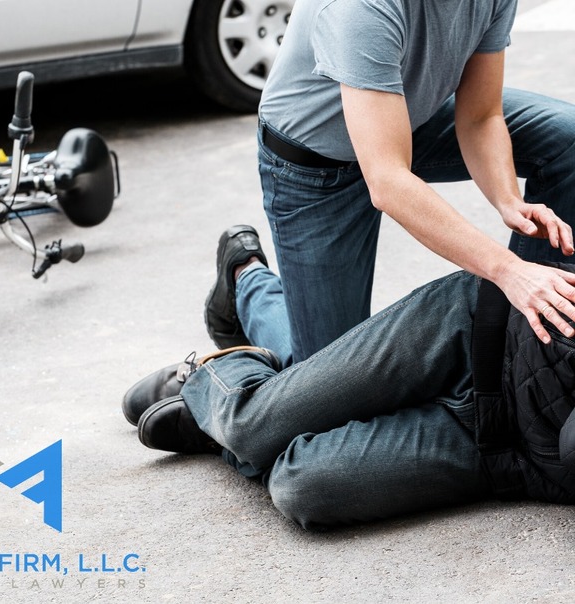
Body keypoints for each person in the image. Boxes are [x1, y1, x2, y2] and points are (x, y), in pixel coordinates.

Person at [204, 0, 575, 366]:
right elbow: (388, 181)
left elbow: (480, 116)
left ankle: (529, 342)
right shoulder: (360, 8)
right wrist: (507, 269)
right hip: (315, 166)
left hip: (406, 116)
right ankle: (246, 282)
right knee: (330, 380)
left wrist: (508, 200)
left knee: (566, 139)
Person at [123, 231, 575, 530]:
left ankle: (226, 416)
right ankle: (221, 368)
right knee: (249, 425)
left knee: (301, 487)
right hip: (480, 332)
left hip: (509, 449)